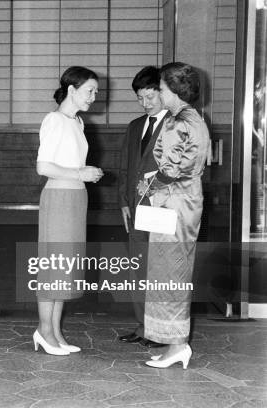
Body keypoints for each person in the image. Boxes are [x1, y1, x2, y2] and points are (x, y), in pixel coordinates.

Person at [140, 62, 210, 369]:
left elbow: (169, 169)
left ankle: (177, 345)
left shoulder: (175, 121)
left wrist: (147, 184)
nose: (160, 93)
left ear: (176, 90)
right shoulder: (195, 118)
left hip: (173, 201)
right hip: (187, 200)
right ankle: (174, 342)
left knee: (168, 273)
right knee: (175, 270)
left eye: (163, 89)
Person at [34, 66, 103, 355]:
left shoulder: (77, 122)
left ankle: (56, 331)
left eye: (96, 92)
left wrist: (85, 175)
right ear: (72, 90)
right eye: (90, 91)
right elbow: (43, 167)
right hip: (60, 198)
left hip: (76, 199)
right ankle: (44, 331)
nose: (94, 97)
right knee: (53, 267)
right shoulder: (54, 119)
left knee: (65, 268)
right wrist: (80, 173)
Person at [117, 66, 167, 348]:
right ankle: (143, 325)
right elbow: (125, 167)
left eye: (151, 96)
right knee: (138, 268)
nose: (146, 103)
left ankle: (160, 329)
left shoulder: (175, 124)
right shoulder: (135, 126)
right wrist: (123, 202)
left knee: (159, 269)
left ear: (163, 92)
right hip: (135, 209)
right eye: (140, 98)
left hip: (161, 208)